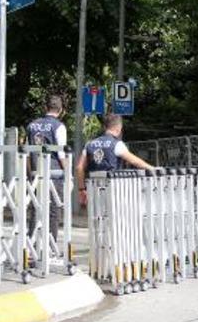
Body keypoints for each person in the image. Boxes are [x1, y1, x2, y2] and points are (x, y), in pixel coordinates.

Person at [76, 114, 155, 205]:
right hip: (113, 188)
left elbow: (79, 168)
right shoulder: (117, 144)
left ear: (105, 127)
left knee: (96, 216)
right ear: (119, 128)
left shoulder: (89, 144)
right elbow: (134, 161)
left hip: (93, 188)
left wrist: (82, 189)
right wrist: (152, 168)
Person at [26, 95, 67, 243]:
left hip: (37, 174)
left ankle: (30, 246)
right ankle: (50, 246)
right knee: (54, 211)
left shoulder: (31, 126)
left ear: (45, 108)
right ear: (61, 110)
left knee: (35, 209)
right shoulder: (59, 127)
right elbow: (62, 154)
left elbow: (28, 154)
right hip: (54, 174)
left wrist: (31, 174)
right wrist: (68, 175)